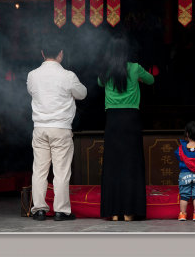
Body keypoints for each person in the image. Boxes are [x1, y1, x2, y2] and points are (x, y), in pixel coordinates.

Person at [27, 41, 87, 221]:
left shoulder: (32, 75)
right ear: (61, 54)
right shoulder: (68, 76)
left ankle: (38, 209)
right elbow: (82, 94)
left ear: (42, 53)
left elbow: (32, 92)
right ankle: (61, 211)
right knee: (61, 172)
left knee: (39, 170)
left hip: (40, 128)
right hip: (61, 128)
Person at [98, 35, 154, 221]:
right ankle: (130, 212)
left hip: (113, 121)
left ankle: (113, 213)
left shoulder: (106, 70)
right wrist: (136, 79)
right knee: (131, 165)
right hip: (131, 121)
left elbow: (100, 83)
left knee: (113, 165)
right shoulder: (135, 68)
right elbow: (151, 80)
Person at [174, 121, 195, 222]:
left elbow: (178, 155)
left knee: (184, 196)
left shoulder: (181, 149)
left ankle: (182, 214)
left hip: (185, 176)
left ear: (187, 134)